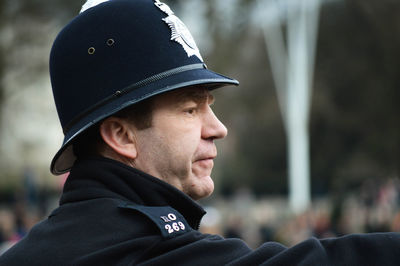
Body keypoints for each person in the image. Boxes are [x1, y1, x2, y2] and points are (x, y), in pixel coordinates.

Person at [1, 0, 400, 265]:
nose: (219, 128)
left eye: (210, 105)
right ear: (121, 136)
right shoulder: (139, 248)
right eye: (190, 109)